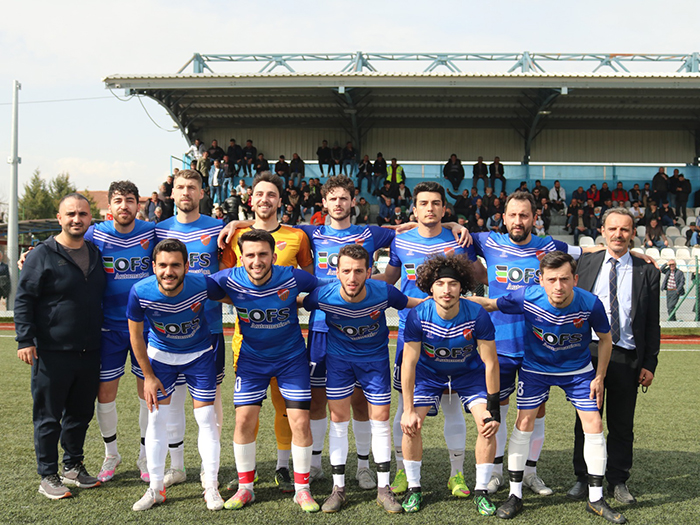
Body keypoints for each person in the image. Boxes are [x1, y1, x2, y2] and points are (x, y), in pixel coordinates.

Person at [472, 252, 624, 524]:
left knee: (594, 424)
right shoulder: (527, 297)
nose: (558, 286)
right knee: (523, 422)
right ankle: (515, 495)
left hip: (577, 372)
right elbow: (490, 303)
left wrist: (599, 376)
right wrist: (452, 301)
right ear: (540, 280)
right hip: (535, 370)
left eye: (564, 279)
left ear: (575, 279)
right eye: (552, 279)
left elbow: (605, 339)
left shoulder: (590, 303)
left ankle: (596, 498)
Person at [374, 181, 483, 498]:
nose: (430, 208)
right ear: (414, 209)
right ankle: (402, 472)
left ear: (444, 208)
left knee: (452, 405)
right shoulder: (401, 240)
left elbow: (478, 277)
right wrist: (358, 282)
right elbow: (391, 278)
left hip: (452, 335)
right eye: (423, 203)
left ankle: (456, 474)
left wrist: (456, 227)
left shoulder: (460, 240)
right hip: (411, 333)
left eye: (436, 203)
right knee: (405, 406)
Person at [470, 192, 584, 496]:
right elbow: (447, 233)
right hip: (499, 346)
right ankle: (496, 472)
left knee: (537, 410)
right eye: (513, 215)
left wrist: (634, 253)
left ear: (535, 217)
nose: (518, 221)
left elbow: (590, 250)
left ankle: (530, 473)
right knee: (498, 408)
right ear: (503, 217)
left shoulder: (550, 246)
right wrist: (453, 224)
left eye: (524, 215)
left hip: (538, 346)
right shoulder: (488, 241)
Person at [302, 244, 421, 513]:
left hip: (374, 363)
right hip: (339, 363)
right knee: (338, 420)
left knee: (380, 421)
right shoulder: (323, 295)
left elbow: (413, 303)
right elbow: (299, 302)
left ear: (369, 272)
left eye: (358, 271)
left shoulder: (384, 292)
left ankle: (383, 489)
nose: (352, 277)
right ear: (337, 272)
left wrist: (449, 303)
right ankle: (338, 489)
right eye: (346, 271)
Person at [210, 230, 321, 513]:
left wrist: (300, 301)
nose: (256, 261)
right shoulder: (227, 279)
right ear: (241, 258)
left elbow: (322, 290)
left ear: (273, 256)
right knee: (243, 420)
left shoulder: (293, 277)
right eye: (250, 255)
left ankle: (302, 490)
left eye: (262, 254)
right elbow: (195, 289)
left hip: (291, 360)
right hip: (252, 361)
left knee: (300, 422)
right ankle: (246, 488)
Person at [219, 172, 313, 492]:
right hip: (246, 340)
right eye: (259, 194)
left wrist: (286, 299)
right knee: (247, 410)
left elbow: (307, 283)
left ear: (280, 201)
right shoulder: (234, 234)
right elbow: (227, 281)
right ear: (251, 199)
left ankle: (283, 467)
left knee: (286, 409)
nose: (264, 199)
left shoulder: (297, 236)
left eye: (271, 194)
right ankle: (248, 473)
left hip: (286, 341)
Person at [15, 193, 106, 499]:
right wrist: (25, 339)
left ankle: (73, 465)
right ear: (59, 218)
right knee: (48, 416)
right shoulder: (41, 254)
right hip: (52, 351)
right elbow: (24, 299)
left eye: (82, 214)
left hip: (90, 350)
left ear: (90, 218)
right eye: (70, 214)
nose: (76, 219)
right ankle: (47, 474)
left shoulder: (95, 252)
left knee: (80, 414)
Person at [569, 208, 660, 508]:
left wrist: (650, 363)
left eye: (624, 229)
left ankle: (618, 480)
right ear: (603, 231)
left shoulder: (648, 271)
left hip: (627, 356)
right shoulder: (585, 262)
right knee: (586, 420)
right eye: (613, 229)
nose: (618, 234)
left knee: (622, 423)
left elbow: (652, 322)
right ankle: (584, 477)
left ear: (633, 233)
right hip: (589, 353)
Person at [127, 239, 225, 511]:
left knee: (206, 418)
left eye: (175, 265)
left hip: (199, 355)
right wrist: (148, 376)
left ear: (187, 267)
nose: (168, 271)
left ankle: (211, 485)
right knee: (157, 419)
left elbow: (234, 295)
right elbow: (135, 336)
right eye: (162, 265)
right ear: (153, 266)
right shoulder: (140, 291)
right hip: (161, 358)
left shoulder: (202, 284)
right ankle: (155, 487)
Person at [400, 253, 500, 515]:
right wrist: (408, 410)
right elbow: (409, 364)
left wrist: (494, 408)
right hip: (429, 375)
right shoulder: (418, 315)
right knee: (410, 425)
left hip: (469, 375)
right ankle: (413, 487)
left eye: (453, 284)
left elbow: (491, 362)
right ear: (430, 288)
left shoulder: (477, 314)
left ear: (462, 286)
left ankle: (481, 491)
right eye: (440, 284)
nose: (447, 290)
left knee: (487, 425)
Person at [154, 169, 225, 489]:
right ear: (172, 193)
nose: (186, 192)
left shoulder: (218, 227)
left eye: (192, 187)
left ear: (201, 193)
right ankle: (177, 466)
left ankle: (213, 469)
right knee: (173, 400)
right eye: (180, 187)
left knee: (212, 402)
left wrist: (236, 224)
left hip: (209, 328)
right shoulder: (158, 230)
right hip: (169, 329)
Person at [84, 181, 156, 484]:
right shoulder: (95, 233)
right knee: (105, 393)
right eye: (118, 200)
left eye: (129, 200)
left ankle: (145, 456)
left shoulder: (152, 232)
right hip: (108, 327)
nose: (124, 206)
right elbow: (64, 243)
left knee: (147, 393)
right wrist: (32, 253)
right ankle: (111, 454)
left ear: (138, 204)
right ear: (110, 206)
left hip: (146, 327)